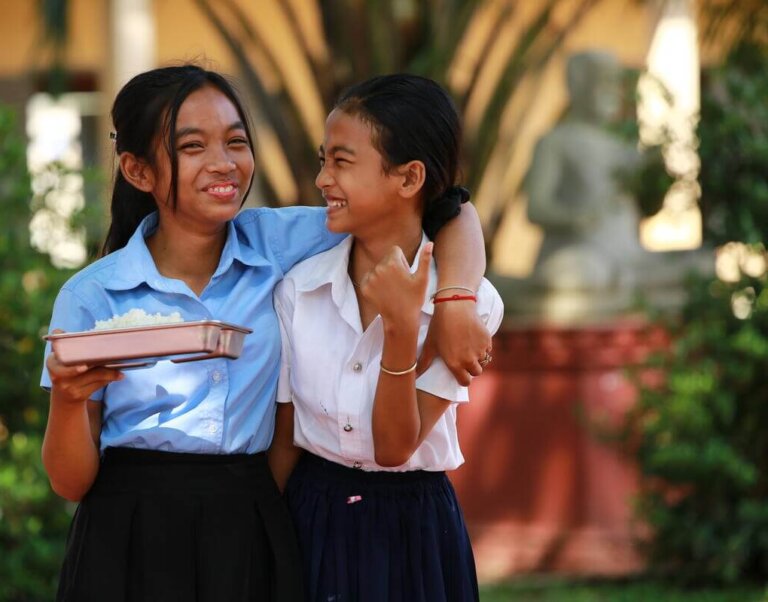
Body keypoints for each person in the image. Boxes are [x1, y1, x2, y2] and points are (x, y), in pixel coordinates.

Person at [40, 65, 491, 602]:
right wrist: (69, 402)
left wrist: (457, 299)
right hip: (128, 530)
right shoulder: (91, 295)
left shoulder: (281, 245)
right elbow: (71, 483)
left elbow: (443, 208)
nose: (223, 162)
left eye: (235, 140)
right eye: (192, 147)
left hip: (247, 521)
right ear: (138, 170)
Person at [268, 74, 504, 602]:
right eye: (322, 159)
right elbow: (285, 436)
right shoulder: (299, 290)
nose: (322, 179)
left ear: (408, 177)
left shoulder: (471, 306)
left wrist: (403, 329)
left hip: (414, 531)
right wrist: (267, 542)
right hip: (312, 515)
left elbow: (396, 447)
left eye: (342, 162)